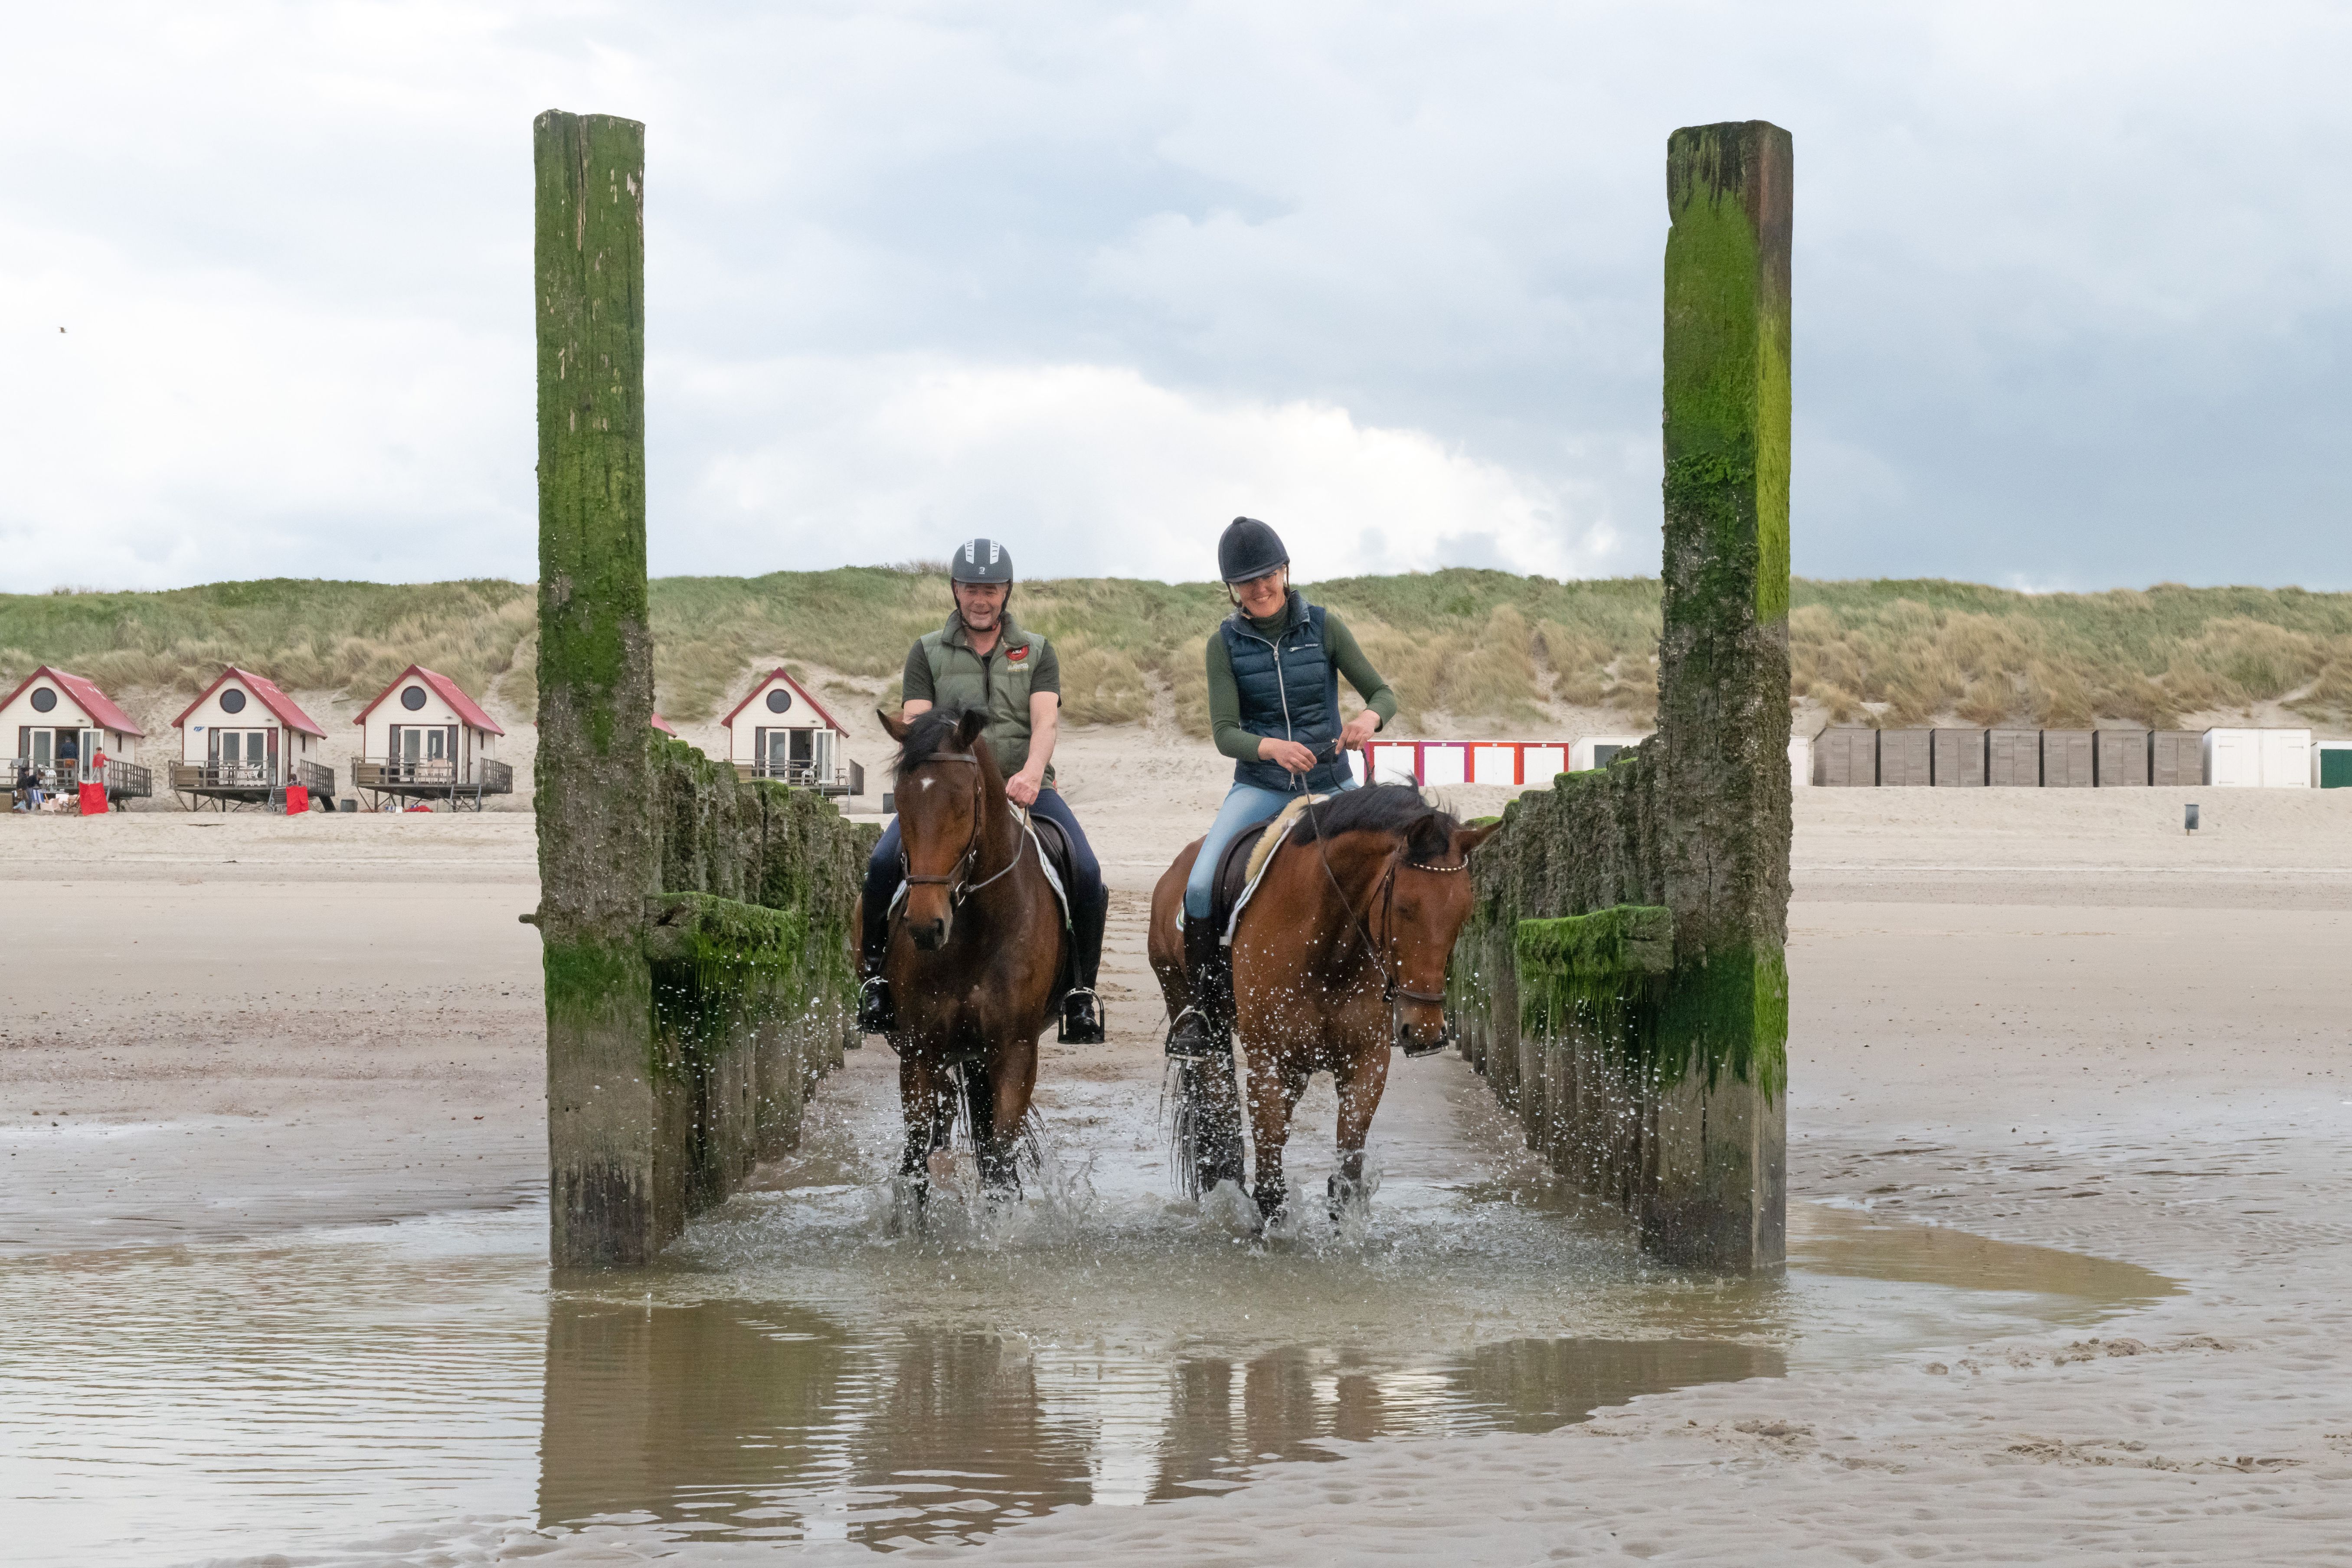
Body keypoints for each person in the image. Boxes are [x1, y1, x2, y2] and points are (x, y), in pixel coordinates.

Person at [1165, 516, 1399, 1060]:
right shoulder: (1221, 644)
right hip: (1262, 785)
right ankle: (1203, 1009)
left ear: (1284, 571)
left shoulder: (1324, 625)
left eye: (1268, 575)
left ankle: (1404, 994)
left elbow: (1382, 692)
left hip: (1333, 779)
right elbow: (1225, 732)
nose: (1260, 587)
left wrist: (1368, 719)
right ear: (1233, 589)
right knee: (1200, 885)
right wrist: (1270, 747)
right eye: (1247, 581)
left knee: (1391, 872)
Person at [858, 536, 1109, 1042]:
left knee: (1086, 871)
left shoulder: (1036, 650)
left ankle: (1081, 993)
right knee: (883, 865)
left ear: (1006, 592)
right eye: (971, 588)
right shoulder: (926, 650)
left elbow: (1045, 722)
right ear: (955, 590)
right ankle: (876, 982)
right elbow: (915, 721)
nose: (980, 599)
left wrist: (1033, 773)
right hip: (948, 794)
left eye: (990, 589)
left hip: (1024, 787)